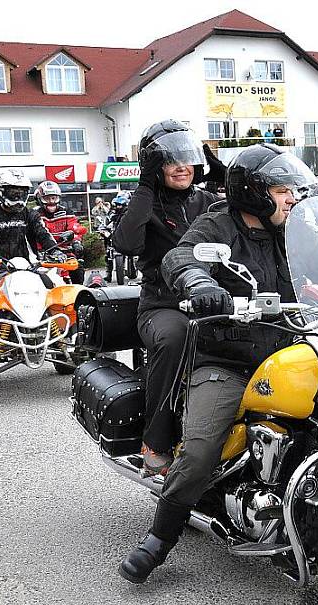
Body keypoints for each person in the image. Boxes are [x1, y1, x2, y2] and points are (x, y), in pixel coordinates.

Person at [118, 144, 318, 584]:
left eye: (292, 190)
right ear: (255, 192)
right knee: (199, 451)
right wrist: (197, 280)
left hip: (289, 352)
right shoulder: (219, 222)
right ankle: (160, 537)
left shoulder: (292, 229)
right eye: (282, 189)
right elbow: (180, 255)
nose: (291, 198)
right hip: (228, 358)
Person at [112, 119, 224, 477]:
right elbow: (126, 243)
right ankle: (155, 441)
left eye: (186, 157)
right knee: (178, 337)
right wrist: (145, 186)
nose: (180, 166)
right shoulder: (145, 204)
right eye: (169, 159)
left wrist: (224, 176)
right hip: (162, 306)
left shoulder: (208, 201)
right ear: (153, 165)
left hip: (213, 302)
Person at [0, 169, 58, 291]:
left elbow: (43, 233)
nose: (18, 196)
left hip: (30, 265)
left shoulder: (31, 215)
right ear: (1, 191)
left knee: (50, 287)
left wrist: (55, 250)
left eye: (22, 192)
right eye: (13, 192)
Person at [35, 180, 87, 284]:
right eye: (47, 198)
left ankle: (78, 292)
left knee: (78, 268)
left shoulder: (67, 212)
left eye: (53, 198)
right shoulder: (34, 214)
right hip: (41, 254)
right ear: (40, 199)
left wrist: (76, 242)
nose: (51, 201)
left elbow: (74, 227)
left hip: (65, 251)